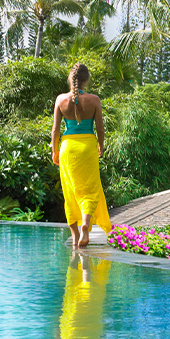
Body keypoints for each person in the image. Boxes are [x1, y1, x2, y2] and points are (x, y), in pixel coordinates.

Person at [51, 63, 110, 247]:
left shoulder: (60, 99)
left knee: (70, 192)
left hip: (68, 148)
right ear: (86, 80)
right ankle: (86, 223)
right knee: (90, 190)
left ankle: (76, 235)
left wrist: (54, 151)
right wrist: (101, 145)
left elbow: (55, 130)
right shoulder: (94, 100)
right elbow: (100, 128)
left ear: (71, 79)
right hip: (87, 147)